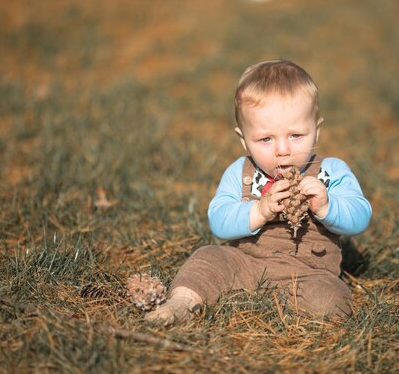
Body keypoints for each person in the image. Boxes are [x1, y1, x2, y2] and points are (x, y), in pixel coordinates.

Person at [146, 60, 371, 325]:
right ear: (244, 140)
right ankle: (182, 305)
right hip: (246, 264)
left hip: (309, 273)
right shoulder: (241, 172)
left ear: (317, 130)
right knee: (208, 258)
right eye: (266, 139)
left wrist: (326, 207)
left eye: (296, 135)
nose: (283, 150)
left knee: (332, 298)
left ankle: (290, 310)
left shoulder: (330, 172)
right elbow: (219, 220)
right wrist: (258, 210)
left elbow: (360, 216)